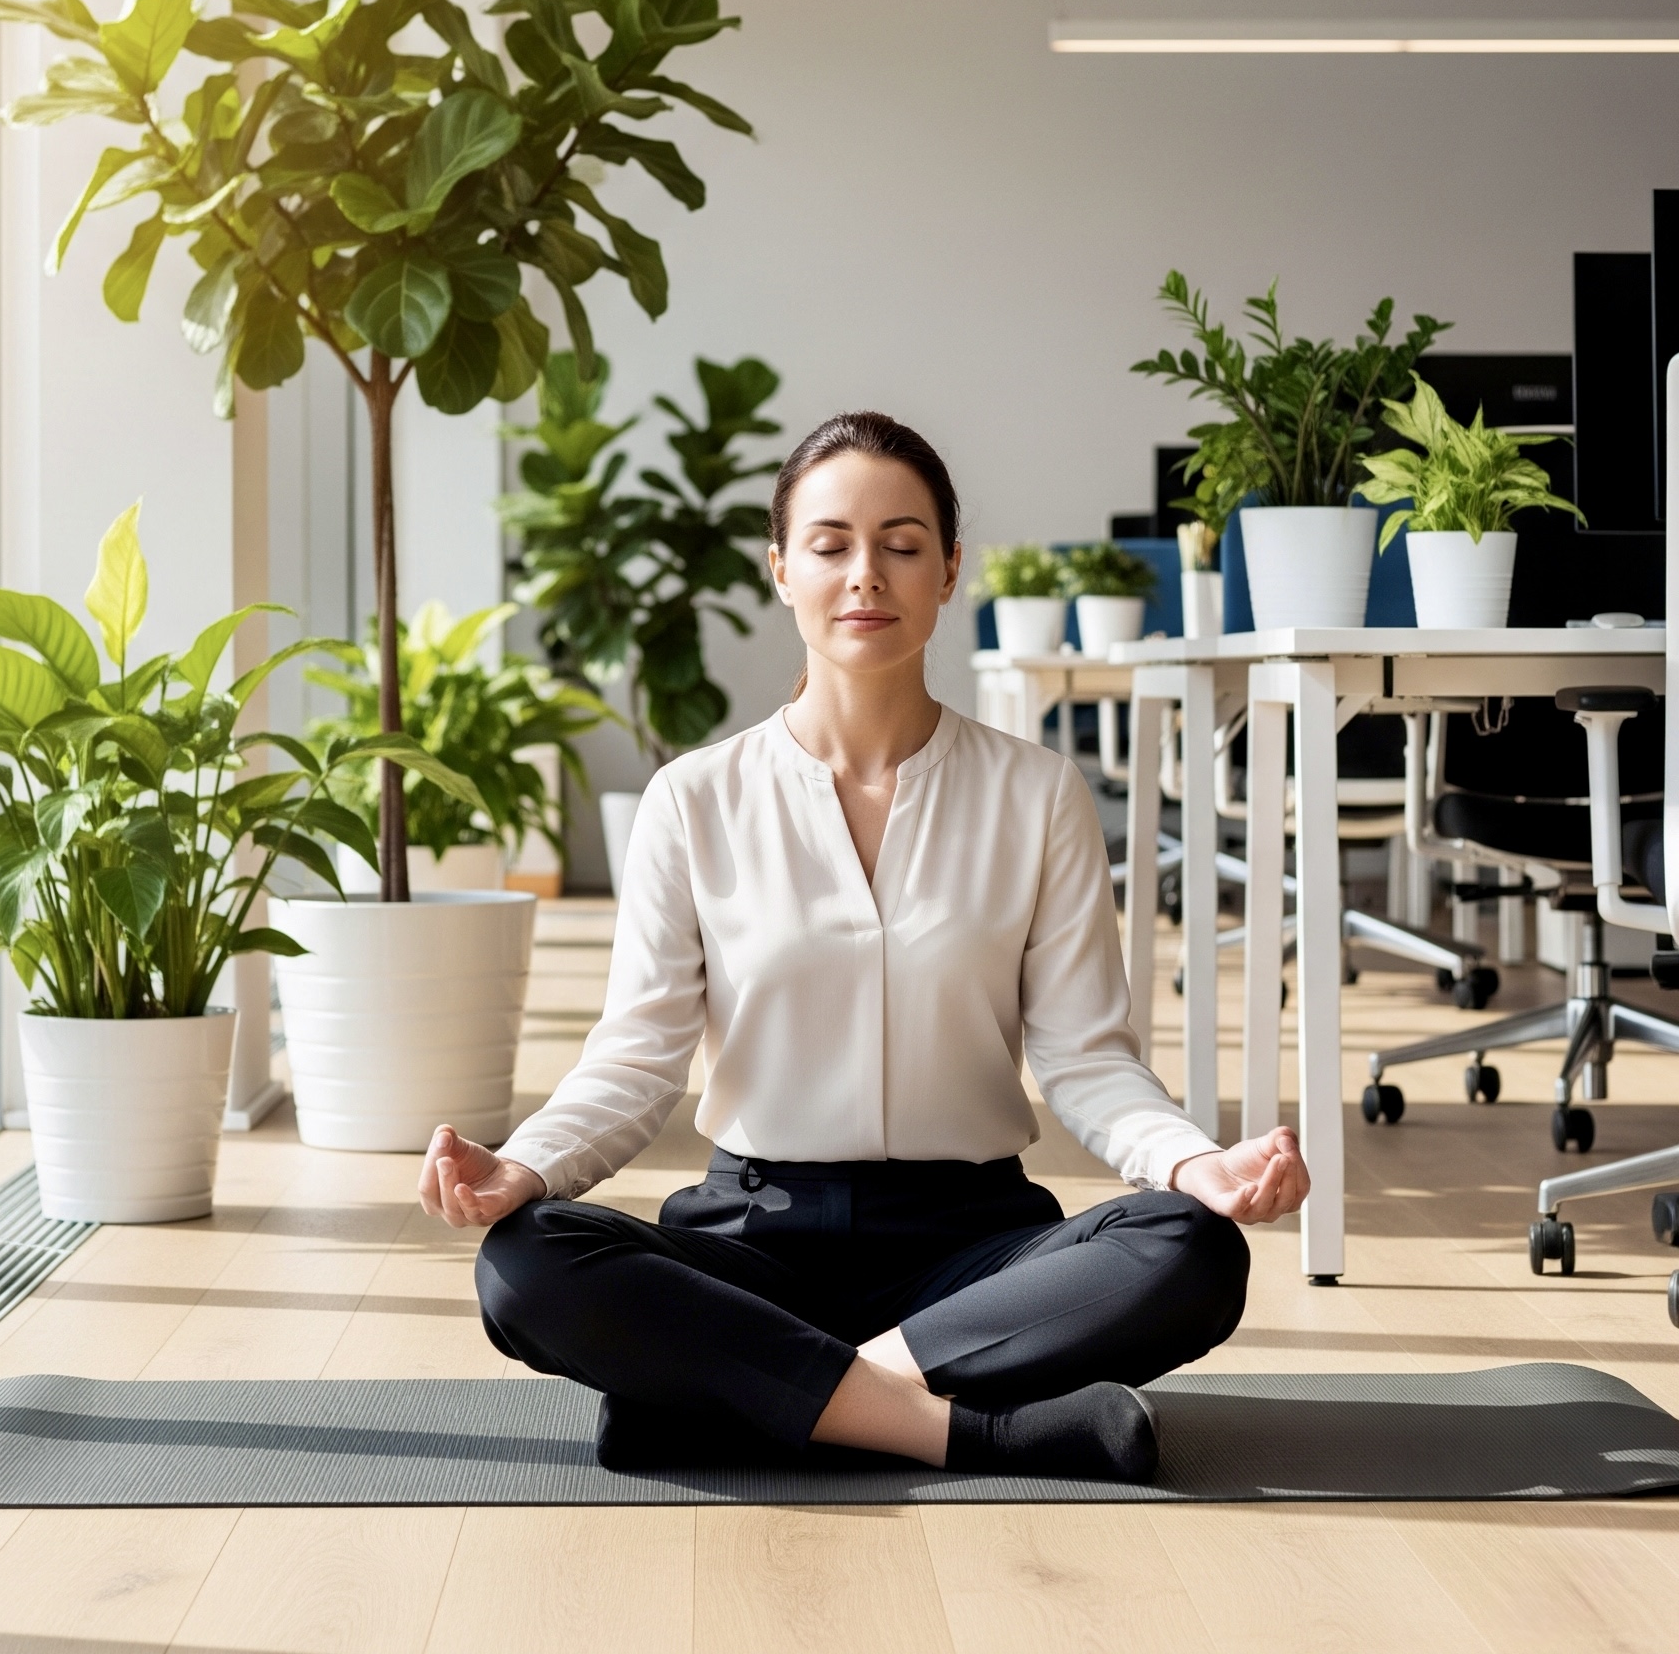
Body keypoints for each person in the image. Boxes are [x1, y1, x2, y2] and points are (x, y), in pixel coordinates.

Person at [419, 411, 1308, 1481]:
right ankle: (958, 1427)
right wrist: (524, 1163)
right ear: (781, 568)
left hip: (973, 1251)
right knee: (525, 1263)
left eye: (900, 543)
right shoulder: (692, 798)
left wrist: (1193, 1161)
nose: (864, 575)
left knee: (1191, 1248)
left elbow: (1087, 1057)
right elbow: (635, 1056)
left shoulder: (1034, 792)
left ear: (945, 571)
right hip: (750, 1239)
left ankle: (742, 1397)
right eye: (831, 543)